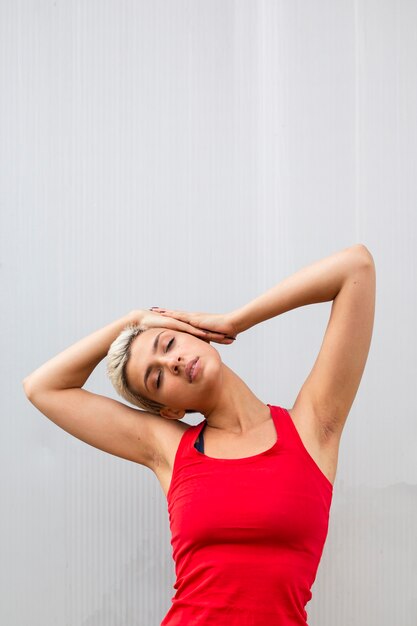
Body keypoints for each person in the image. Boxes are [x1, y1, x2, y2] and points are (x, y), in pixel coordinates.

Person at [22, 243, 376, 625]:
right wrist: (133, 319)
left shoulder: (313, 428)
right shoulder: (170, 450)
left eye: (168, 343)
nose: (170, 362)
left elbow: (355, 267)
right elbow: (43, 388)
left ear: (194, 334)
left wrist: (236, 321)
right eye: (156, 377)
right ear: (170, 410)